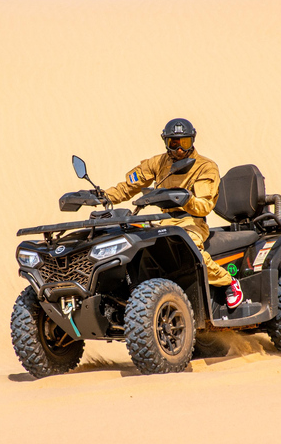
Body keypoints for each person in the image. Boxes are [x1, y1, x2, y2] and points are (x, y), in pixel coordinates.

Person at [104, 118, 243, 309]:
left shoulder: (205, 167)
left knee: (191, 247)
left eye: (184, 143)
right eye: (174, 143)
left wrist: (187, 200)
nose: (179, 149)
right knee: (133, 243)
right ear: (166, 142)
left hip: (191, 221)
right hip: (163, 221)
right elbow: (128, 186)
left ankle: (228, 282)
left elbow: (205, 205)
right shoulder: (159, 162)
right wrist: (104, 197)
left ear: (192, 141)